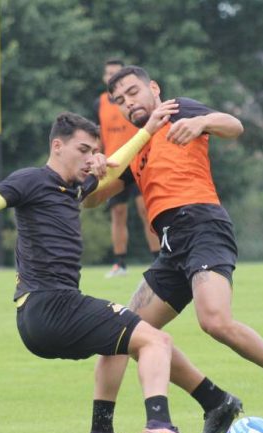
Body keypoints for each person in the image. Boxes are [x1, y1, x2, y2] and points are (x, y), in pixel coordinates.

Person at [0, 110, 203, 433]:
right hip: (49, 307)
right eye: (83, 150)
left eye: (93, 152)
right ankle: (159, 424)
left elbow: (115, 168)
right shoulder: (31, 180)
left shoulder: (73, 188)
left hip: (44, 315)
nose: (89, 159)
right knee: (156, 339)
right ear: (57, 146)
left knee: (120, 341)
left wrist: (148, 129)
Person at [82, 65, 263, 433]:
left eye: (133, 92)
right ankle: (204, 405)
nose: (127, 103)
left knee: (214, 321)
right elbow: (94, 199)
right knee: (123, 335)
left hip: (203, 227)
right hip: (171, 246)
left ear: (153, 88)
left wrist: (202, 124)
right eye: (119, 101)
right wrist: (94, 170)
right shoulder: (135, 148)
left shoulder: (177, 110)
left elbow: (233, 126)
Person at [95, 59, 160, 277]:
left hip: (140, 160)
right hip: (116, 164)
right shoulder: (101, 103)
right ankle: (119, 263)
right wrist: (98, 156)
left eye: (116, 72)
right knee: (118, 213)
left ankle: (158, 258)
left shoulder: (137, 100)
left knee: (146, 209)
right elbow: (99, 134)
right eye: (108, 73)